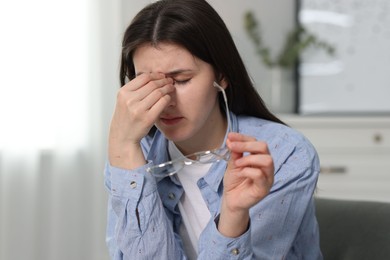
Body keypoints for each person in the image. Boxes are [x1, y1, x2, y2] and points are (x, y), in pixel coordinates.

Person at [104, 0, 322, 259]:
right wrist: (122, 147)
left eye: (182, 80)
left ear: (221, 75)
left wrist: (232, 217)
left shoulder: (283, 153)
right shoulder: (132, 153)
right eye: (147, 84)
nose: (165, 101)